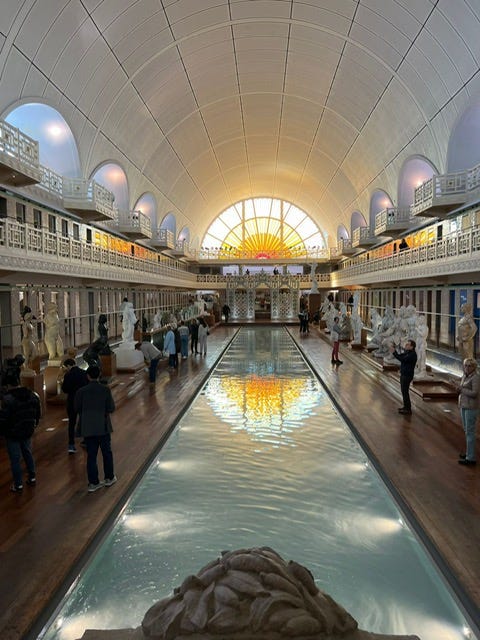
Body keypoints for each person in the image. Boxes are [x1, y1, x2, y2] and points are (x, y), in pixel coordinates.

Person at [75, 365, 116, 492]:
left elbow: (76, 408)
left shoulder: (81, 391)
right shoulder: (105, 390)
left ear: (88, 376)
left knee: (91, 456)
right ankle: (109, 478)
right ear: (99, 375)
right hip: (103, 426)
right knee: (106, 453)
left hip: (88, 427)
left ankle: (93, 483)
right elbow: (111, 408)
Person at [0, 369, 41, 492]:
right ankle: (32, 477)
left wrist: (2, 431)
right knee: (27, 453)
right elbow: (37, 412)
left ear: (8, 386)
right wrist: (35, 423)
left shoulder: (7, 399)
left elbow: (3, 419)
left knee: (15, 459)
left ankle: (18, 484)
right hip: (28, 429)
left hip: (12, 432)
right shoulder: (32, 394)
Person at [61, 358, 88, 454]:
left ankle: (71, 445)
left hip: (72, 401)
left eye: (65, 367)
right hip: (83, 401)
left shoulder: (68, 375)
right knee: (84, 420)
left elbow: (65, 389)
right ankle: (86, 441)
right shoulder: (84, 373)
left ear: (68, 365)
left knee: (71, 423)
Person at [456, 358, 479, 466]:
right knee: (466, 431)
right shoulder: (465, 376)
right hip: (464, 405)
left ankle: (471, 458)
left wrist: (461, 389)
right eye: (465, 365)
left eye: (469, 366)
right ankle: (468, 453)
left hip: (471, 407)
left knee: (470, 432)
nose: (467, 367)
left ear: (474, 367)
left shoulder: (476, 378)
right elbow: (462, 388)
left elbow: (474, 393)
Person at [389, 339, 417, 415]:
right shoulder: (408, 352)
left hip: (407, 375)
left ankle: (408, 409)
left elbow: (402, 359)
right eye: (406, 344)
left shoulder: (412, 355)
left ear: (412, 347)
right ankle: (405, 407)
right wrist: (395, 351)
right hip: (404, 374)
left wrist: (394, 352)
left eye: (408, 345)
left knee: (405, 392)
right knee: (403, 392)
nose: (406, 346)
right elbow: (401, 356)